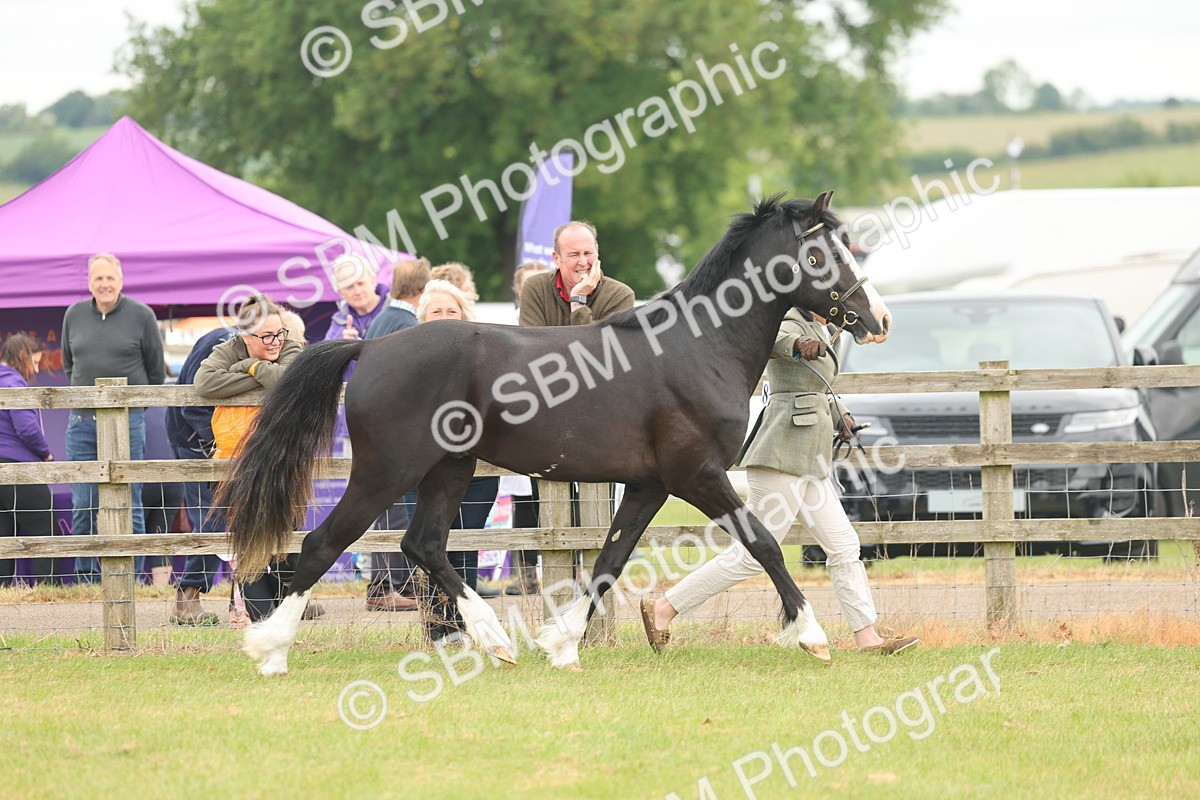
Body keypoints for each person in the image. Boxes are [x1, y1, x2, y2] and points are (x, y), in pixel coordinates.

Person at [640, 310, 919, 655]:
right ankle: (664, 608)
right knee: (751, 556)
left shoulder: (821, 326)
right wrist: (800, 344)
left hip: (811, 460)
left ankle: (868, 638)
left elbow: (818, 387)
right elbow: (776, 341)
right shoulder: (786, 320)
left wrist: (841, 414)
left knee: (844, 544)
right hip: (780, 454)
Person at [517, 223, 636, 593]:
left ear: (597, 252)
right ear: (556, 258)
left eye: (589, 253)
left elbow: (598, 358)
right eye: (574, 255)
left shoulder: (620, 295)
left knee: (599, 517)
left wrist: (579, 304)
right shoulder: (535, 288)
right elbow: (531, 350)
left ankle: (594, 601)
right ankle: (557, 597)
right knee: (551, 514)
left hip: (601, 423)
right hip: (546, 421)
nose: (583, 262)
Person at [195, 296, 322, 621]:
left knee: (286, 545)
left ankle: (283, 619)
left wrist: (250, 367)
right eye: (266, 336)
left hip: (284, 465)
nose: (276, 341)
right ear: (245, 337)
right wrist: (261, 374)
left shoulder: (291, 348)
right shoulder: (226, 350)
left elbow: (287, 380)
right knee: (250, 547)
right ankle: (263, 625)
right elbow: (205, 382)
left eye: (279, 333)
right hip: (237, 468)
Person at [63, 253, 166, 582]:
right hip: (80, 423)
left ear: (120, 281)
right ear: (89, 283)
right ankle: (85, 581)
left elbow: (156, 374)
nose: (104, 284)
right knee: (83, 502)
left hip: (128, 423)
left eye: (110, 278)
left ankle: (131, 579)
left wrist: (132, 408)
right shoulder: (73, 315)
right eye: (98, 279)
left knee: (129, 499)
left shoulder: (142, 315)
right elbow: (69, 366)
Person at [410, 279, 501, 641]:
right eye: (437, 312)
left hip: (476, 469)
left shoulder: (486, 360)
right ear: (423, 319)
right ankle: (439, 627)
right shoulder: (408, 361)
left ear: (465, 316)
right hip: (426, 469)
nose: (445, 318)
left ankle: (465, 623)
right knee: (431, 540)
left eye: (452, 311)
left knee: (465, 541)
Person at [359, 257, 433, 611]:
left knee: (386, 504)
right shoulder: (407, 324)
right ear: (423, 289)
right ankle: (386, 587)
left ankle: (386, 585)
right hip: (397, 425)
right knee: (396, 507)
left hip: (376, 422)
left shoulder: (381, 320)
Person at [164, 325, 234, 624]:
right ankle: (187, 595)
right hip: (195, 437)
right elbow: (191, 404)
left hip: (234, 438)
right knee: (213, 514)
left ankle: (274, 595)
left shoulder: (271, 353)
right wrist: (221, 444)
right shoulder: (217, 345)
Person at [502, 261, 552, 595]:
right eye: (525, 283)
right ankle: (526, 573)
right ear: (518, 288)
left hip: (552, 424)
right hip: (521, 425)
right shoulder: (507, 324)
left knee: (565, 502)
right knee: (526, 505)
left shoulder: (550, 322)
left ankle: (572, 569)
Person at [0, 335, 55, 586]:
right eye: (33, 363)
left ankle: (4, 592)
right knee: (44, 530)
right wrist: (46, 453)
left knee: (3, 536)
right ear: (22, 356)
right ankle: (47, 589)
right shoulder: (14, 383)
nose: (35, 370)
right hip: (19, 467)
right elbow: (26, 428)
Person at [323, 254, 388, 341]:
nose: (357, 291)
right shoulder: (338, 322)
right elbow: (325, 353)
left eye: (361, 283)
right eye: (349, 287)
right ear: (340, 293)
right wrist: (342, 347)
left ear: (373, 281)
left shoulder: (397, 307)